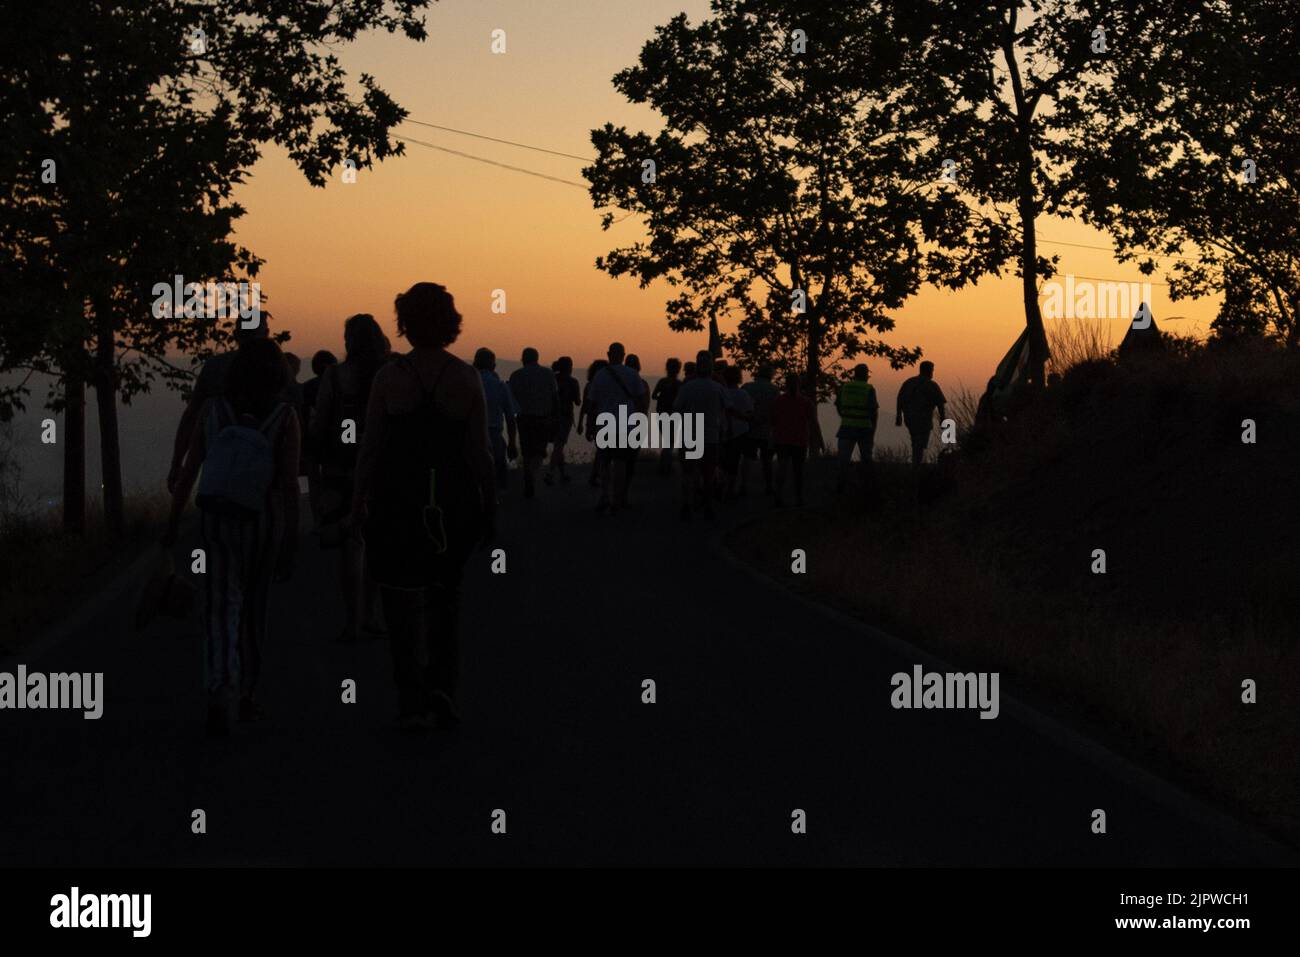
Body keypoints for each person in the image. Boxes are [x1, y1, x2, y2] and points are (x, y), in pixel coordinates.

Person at [348, 282, 496, 732]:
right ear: (450, 323)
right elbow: (480, 453)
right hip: (451, 502)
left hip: (398, 500)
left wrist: (358, 500)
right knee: (445, 596)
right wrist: (490, 507)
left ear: (405, 323)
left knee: (398, 599)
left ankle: (410, 698)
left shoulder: (390, 378)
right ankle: (442, 688)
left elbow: (370, 446)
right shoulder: (465, 378)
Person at [162, 338, 301, 735]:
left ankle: (220, 686)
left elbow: (192, 469)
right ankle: (247, 695)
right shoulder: (285, 417)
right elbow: (289, 486)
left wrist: (173, 521)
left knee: (221, 607)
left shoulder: (212, 410)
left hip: (217, 520)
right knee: (255, 610)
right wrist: (291, 540)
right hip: (263, 523)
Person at [311, 314, 389, 643]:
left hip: (340, 468)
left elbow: (320, 423)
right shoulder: (387, 374)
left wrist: (313, 466)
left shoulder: (335, 376)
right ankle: (371, 613)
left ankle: (352, 620)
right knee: (376, 543)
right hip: (381, 468)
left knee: (350, 545)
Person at [167, 317, 271, 494]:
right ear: (266, 335)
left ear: (236, 335)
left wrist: (177, 464)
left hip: (218, 469)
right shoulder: (276, 369)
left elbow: (191, 417)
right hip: (264, 470)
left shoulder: (215, 367)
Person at [588, 342, 645, 513]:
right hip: (625, 424)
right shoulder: (633, 374)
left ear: (608, 354)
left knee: (605, 462)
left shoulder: (599, 375)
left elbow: (592, 402)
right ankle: (617, 499)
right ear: (623, 355)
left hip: (604, 423)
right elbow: (641, 401)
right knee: (621, 463)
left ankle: (604, 495)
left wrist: (590, 425)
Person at [673, 351, 726, 520]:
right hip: (710, 435)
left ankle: (687, 504)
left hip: (690, 434)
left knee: (688, 472)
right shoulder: (717, 388)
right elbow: (727, 408)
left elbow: (676, 408)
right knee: (708, 473)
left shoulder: (687, 387)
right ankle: (708, 506)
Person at [507, 347, 559, 498]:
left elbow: (510, 399)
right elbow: (555, 397)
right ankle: (532, 473)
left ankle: (527, 472)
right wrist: (556, 416)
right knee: (539, 450)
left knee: (526, 448)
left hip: (523, 418)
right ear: (537, 358)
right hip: (543, 418)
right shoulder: (548, 374)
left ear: (523, 359)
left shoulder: (516, 375)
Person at [301, 349, 337, 525]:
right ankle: (331, 517)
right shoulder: (337, 385)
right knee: (330, 481)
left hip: (311, 439)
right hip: (332, 440)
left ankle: (317, 519)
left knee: (314, 482)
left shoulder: (306, 387)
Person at [474, 347, 518, 491]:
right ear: (493, 366)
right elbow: (511, 418)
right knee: (498, 471)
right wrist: (512, 443)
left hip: (471, 435)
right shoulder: (500, 386)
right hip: (494, 434)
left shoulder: (468, 383)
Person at [770, 373, 817, 507]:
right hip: (800, 440)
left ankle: (778, 496)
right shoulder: (806, 402)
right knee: (798, 471)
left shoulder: (778, 401)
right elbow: (813, 422)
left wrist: (772, 436)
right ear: (799, 384)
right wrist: (818, 440)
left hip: (782, 439)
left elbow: (772, 421)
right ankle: (799, 498)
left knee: (782, 468)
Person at [835, 363, 879, 492]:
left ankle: (841, 487)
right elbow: (873, 412)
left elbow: (838, 405)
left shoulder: (845, 387)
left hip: (846, 427)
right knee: (866, 459)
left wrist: (845, 416)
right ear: (865, 375)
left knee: (843, 460)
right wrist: (873, 429)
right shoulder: (869, 389)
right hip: (864, 428)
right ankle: (868, 487)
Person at [896, 360, 947, 466]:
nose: (932, 372)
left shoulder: (909, 382)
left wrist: (899, 416)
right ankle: (916, 465)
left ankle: (916, 464)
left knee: (916, 441)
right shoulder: (931, 385)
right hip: (924, 420)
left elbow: (900, 399)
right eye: (932, 370)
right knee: (920, 443)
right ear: (928, 371)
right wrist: (943, 419)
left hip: (910, 418)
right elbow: (940, 403)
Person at [742, 364, 778, 494]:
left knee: (747, 458)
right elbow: (775, 410)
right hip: (766, 430)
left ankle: (743, 485)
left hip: (749, 428)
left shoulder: (747, 387)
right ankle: (768, 486)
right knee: (767, 460)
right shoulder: (774, 390)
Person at [547, 356, 581, 484]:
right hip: (565, 417)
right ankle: (550, 473)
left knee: (558, 445)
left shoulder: (553, 379)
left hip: (551, 416)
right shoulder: (573, 382)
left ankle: (562, 474)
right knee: (559, 445)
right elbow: (577, 402)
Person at [720, 365, 754, 497]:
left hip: (723, 430)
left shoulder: (720, 392)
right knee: (735, 461)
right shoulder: (743, 394)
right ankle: (731, 489)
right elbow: (749, 412)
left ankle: (721, 485)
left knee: (724, 461)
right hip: (740, 431)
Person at [578, 359, 608, 487]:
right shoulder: (604, 385)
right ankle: (597, 475)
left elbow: (585, 406)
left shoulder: (589, 385)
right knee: (603, 450)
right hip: (605, 420)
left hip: (594, 420)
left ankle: (596, 474)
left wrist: (582, 423)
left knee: (601, 449)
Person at [652, 358, 682, 475]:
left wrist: (662, 398)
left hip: (661, 414)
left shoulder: (662, 382)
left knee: (667, 440)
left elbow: (654, 396)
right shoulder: (679, 384)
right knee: (670, 441)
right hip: (674, 415)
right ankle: (666, 465)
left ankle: (664, 465)